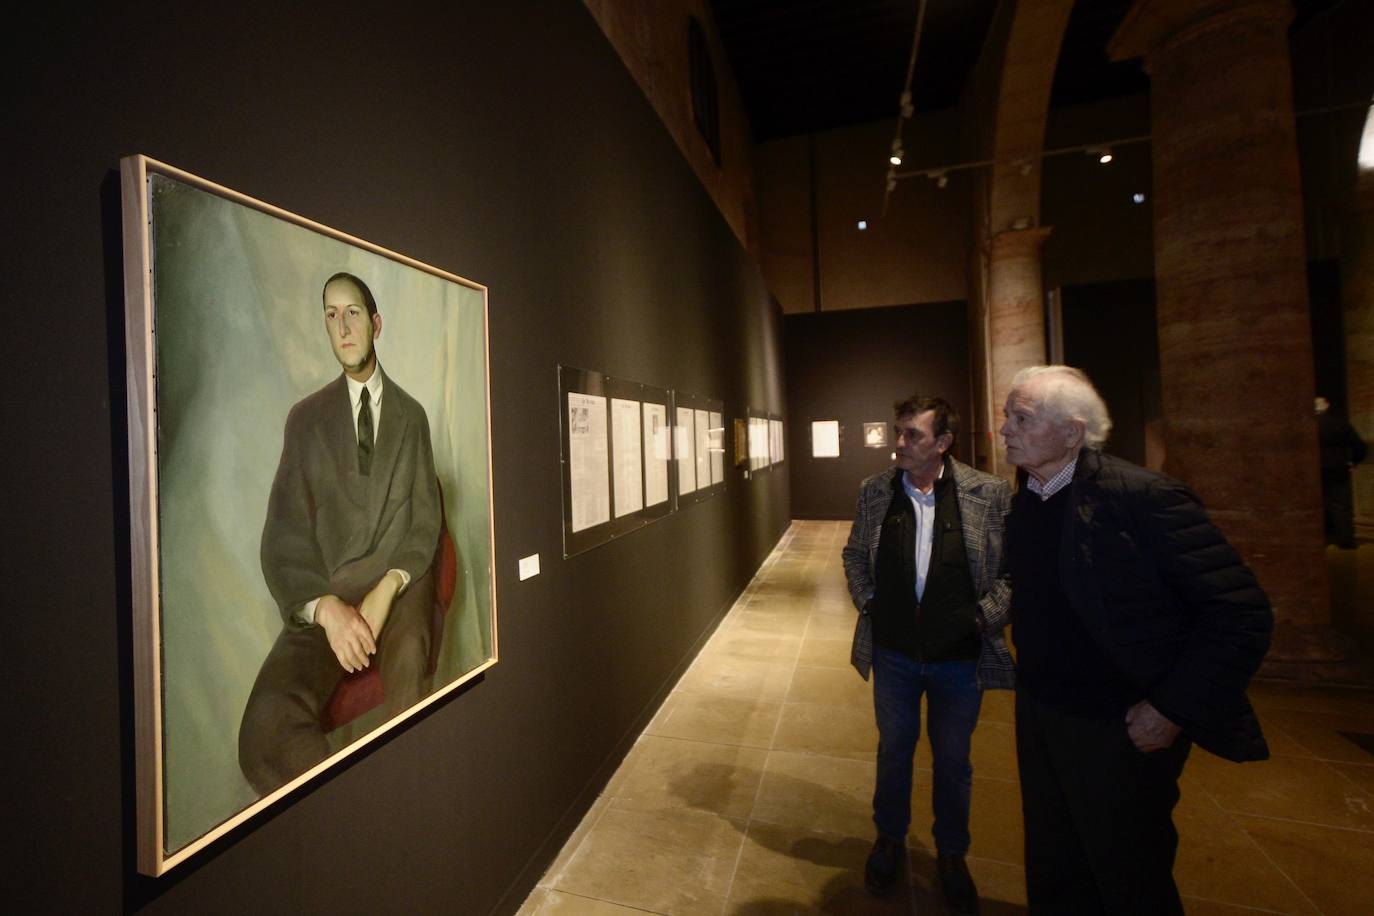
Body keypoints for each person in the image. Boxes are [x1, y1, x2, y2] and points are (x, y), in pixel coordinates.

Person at [1000, 365, 1272, 914]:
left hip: (1119, 726)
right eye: (1007, 416)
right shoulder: (1030, 498)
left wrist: (1171, 709)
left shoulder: (1143, 498)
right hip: (1045, 714)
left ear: (1072, 432)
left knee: (1126, 875)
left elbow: (1239, 613)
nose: (1005, 429)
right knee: (1055, 864)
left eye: (1021, 418)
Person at [239, 272, 442, 795]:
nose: (343, 326)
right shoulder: (304, 421)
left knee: (410, 660)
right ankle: (355, 811)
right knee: (263, 732)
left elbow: (425, 521)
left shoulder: (413, 417)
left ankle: (408, 796)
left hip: (398, 586)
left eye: (353, 313)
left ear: (376, 324)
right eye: (331, 315)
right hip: (328, 596)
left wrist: (389, 586)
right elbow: (282, 535)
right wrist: (327, 610)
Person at [842, 395, 1014, 912]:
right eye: (898, 431)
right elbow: (854, 555)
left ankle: (952, 854)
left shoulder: (988, 493)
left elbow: (1012, 571)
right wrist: (870, 602)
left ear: (943, 442)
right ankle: (889, 840)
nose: (899, 443)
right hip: (894, 654)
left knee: (953, 760)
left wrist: (984, 617)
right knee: (894, 750)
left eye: (912, 434)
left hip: (958, 659)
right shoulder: (876, 491)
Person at [1316, 395, 1367, 549]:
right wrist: (1353, 462)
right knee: (1341, 504)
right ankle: (1345, 540)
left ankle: (1320, 539)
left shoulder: (1308, 426)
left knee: (1317, 504)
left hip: (1315, 469)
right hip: (1338, 468)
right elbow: (1360, 446)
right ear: (1327, 406)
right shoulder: (1340, 423)